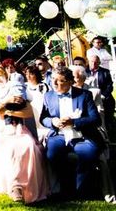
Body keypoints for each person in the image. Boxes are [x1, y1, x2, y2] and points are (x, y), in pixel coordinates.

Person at [0, 66, 49, 203]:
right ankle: (15, 186)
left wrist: (9, 112)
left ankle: (24, 183)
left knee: (29, 145)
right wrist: (4, 101)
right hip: (2, 128)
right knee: (10, 148)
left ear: (6, 75)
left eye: (0, 75)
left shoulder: (16, 89)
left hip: (19, 126)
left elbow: (29, 113)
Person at [41, 67, 103, 198]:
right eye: (53, 80)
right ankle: (66, 187)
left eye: (60, 81)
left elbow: (95, 119)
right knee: (52, 155)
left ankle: (81, 190)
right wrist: (53, 122)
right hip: (59, 135)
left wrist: (74, 122)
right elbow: (43, 118)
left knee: (88, 154)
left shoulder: (84, 95)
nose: (55, 83)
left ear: (70, 82)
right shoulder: (48, 96)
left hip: (82, 136)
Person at [86, 54, 114, 129]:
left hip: (102, 96)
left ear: (99, 63)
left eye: (96, 62)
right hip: (88, 96)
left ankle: (108, 127)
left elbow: (109, 86)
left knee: (109, 104)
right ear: (88, 61)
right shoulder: (84, 71)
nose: (93, 64)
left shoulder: (105, 72)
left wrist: (103, 95)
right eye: (92, 62)